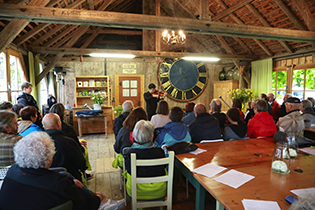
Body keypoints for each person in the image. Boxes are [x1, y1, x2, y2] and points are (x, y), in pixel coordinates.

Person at [0, 132, 124, 210]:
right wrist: (98, 198)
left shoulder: (12, 171)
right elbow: (85, 205)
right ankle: (105, 203)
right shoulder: (60, 183)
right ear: (49, 158)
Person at [123, 120, 166, 201]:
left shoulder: (129, 153)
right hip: (158, 190)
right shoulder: (160, 152)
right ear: (151, 137)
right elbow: (163, 167)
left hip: (137, 191)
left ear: (134, 136)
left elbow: (129, 171)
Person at [42, 113, 86, 182]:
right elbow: (81, 163)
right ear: (59, 124)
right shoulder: (68, 142)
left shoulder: (37, 142)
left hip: (45, 181)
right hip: (69, 180)